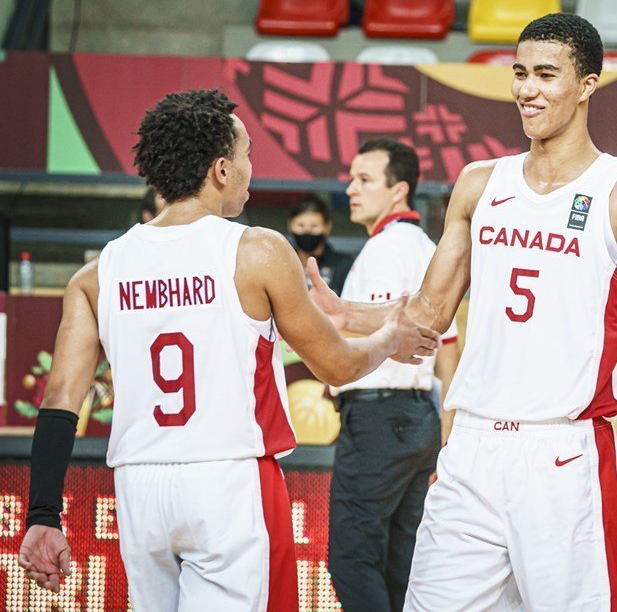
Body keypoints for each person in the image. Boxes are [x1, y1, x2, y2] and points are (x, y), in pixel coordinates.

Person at [307, 13, 617, 611]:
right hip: (471, 449)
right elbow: (427, 314)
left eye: (546, 75)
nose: (527, 88)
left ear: (587, 85)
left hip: (562, 452)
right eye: (520, 73)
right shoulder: (479, 183)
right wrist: (340, 310)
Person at [16, 89, 439, 608]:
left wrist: (41, 515)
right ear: (221, 169)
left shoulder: (96, 274)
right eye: (247, 155)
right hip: (229, 480)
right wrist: (389, 340)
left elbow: (60, 400)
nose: (249, 168)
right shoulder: (256, 250)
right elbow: (338, 363)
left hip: (139, 486)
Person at [323, 137, 462, 612]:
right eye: (350, 179)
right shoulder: (425, 247)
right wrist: (445, 423)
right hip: (417, 419)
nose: (350, 190)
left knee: (351, 556)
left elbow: (377, 328)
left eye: (364, 180)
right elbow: (449, 345)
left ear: (398, 190)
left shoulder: (384, 250)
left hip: (381, 418)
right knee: (401, 562)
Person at [287, 193, 354, 294]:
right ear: (290, 225)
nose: (307, 231)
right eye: (301, 225)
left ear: (327, 227)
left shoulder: (344, 266)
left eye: (314, 226)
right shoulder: (283, 265)